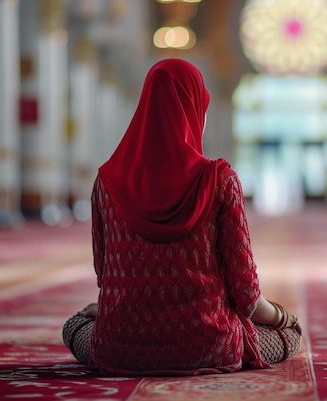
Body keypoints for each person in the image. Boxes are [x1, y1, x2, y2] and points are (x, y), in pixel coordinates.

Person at [62, 58, 302, 375]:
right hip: (209, 347)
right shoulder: (220, 180)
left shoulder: (106, 182)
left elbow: (104, 274)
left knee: (75, 325)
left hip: (119, 348)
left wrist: (108, 312)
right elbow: (246, 298)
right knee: (289, 337)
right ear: (194, 110)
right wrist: (286, 318)